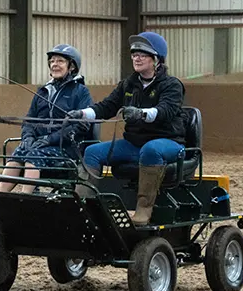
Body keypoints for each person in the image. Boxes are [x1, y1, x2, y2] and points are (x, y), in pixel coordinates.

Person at [66, 32, 186, 225]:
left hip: (168, 143)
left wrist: (141, 113)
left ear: (157, 59)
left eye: (143, 55)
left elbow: (166, 111)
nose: (136, 58)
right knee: (92, 152)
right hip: (134, 145)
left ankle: (143, 211)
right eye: (134, 54)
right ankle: (83, 208)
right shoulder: (128, 84)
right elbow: (106, 107)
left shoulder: (172, 85)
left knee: (151, 150)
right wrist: (82, 113)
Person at [0, 44, 93, 193]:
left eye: (60, 61)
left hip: (65, 148)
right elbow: (29, 120)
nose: (54, 64)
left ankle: (25, 197)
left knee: (33, 156)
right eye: (52, 61)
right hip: (39, 144)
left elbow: (80, 126)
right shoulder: (42, 92)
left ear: (72, 66)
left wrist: (50, 139)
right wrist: (28, 137)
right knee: (19, 152)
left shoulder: (81, 92)